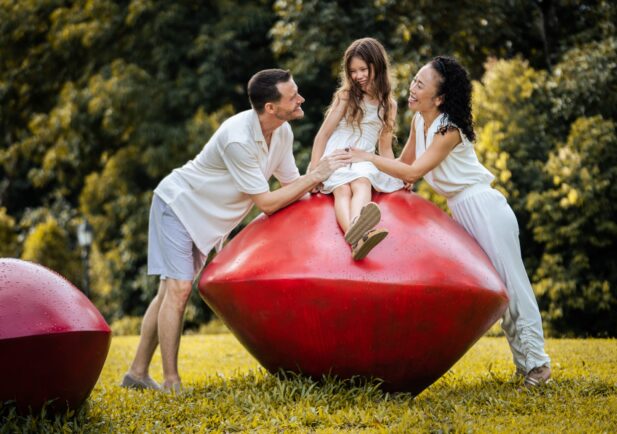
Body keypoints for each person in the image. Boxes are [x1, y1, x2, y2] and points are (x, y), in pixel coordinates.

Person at [121, 69, 351, 392]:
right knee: (178, 290)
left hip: (205, 221)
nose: (301, 99)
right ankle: (171, 382)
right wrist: (315, 176)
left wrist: (329, 185)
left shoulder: (282, 133)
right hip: (177, 206)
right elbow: (267, 203)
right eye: (292, 96)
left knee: (167, 293)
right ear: (271, 108)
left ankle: (136, 374)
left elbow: (291, 185)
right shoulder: (238, 139)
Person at [348, 56, 552, 387]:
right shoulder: (419, 123)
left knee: (512, 287)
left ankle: (536, 367)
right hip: (460, 210)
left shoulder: (449, 128)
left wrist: (368, 157)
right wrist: (366, 165)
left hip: (484, 208)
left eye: (420, 85)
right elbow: (403, 166)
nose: (412, 89)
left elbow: (413, 171)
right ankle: (527, 365)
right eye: (413, 81)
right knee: (496, 289)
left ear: (439, 98)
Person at [309, 37, 404, 260]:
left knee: (362, 183)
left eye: (363, 69)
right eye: (353, 71)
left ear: (377, 66)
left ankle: (357, 235)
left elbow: (385, 147)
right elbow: (322, 135)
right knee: (342, 189)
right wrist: (315, 172)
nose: (358, 76)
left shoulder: (388, 105)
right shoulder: (346, 97)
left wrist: (397, 172)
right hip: (337, 155)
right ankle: (357, 236)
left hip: (364, 160)